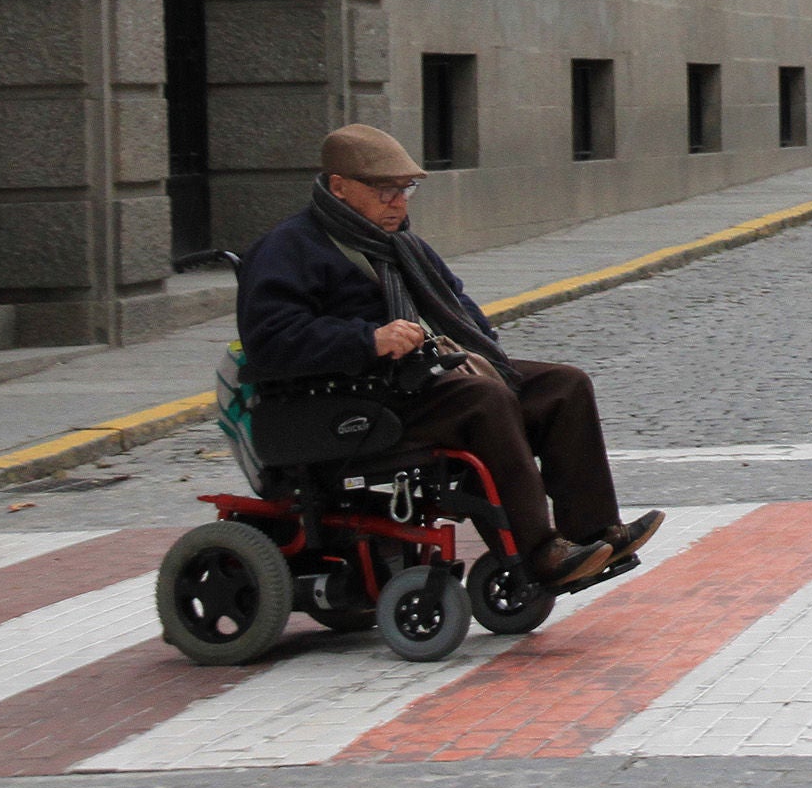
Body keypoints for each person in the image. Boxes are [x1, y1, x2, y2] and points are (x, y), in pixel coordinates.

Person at [236, 126, 662, 591]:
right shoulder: (289, 247)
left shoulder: (404, 245)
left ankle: (593, 535)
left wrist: (481, 352)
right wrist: (368, 339)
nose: (399, 201)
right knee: (482, 399)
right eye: (386, 190)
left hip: (418, 377)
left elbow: (460, 308)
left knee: (563, 385)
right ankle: (539, 551)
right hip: (353, 395)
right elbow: (270, 340)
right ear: (339, 187)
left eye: (406, 189)